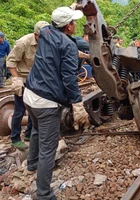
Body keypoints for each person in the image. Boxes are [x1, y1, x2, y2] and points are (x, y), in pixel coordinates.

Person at [23, 6, 90, 199]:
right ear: (68, 27)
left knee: (35, 130)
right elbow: (69, 80)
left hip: (30, 94)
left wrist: (70, 8)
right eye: (74, 21)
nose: (76, 24)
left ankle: (31, 164)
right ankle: (44, 193)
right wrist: (77, 105)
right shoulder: (69, 46)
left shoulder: (44, 32)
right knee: (48, 149)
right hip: (46, 103)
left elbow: (52, 22)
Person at [6, 21, 50, 151]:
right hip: (23, 79)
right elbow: (10, 62)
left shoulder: (47, 41)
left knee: (34, 108)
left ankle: (29, 134)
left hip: (36, 80)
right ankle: (15, 138)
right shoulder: (23, 43)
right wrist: (16, 79)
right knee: (20, 110)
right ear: (36, 35)